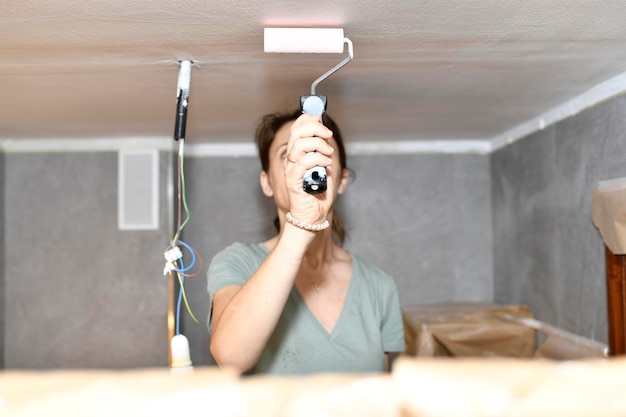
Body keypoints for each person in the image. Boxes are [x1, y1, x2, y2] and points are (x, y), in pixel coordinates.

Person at [207, 108, 405, 375]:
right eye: (286, 153)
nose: (305, 161)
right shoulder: (237, 263)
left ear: (341, 180)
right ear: (266, 183)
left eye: (321, 150)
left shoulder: (379, 285)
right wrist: (301, 222)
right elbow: (230, 357)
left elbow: (382, 396)